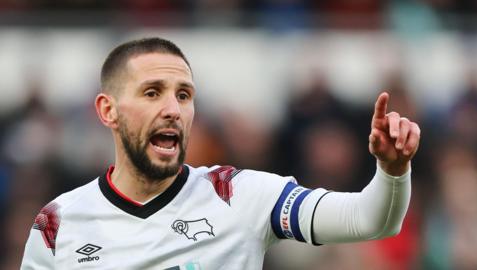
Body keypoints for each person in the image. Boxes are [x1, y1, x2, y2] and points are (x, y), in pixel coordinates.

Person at [20, 38, 420, 270]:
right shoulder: (57, 226)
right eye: (152, 92)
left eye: (184, 95)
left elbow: (370, 219)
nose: (173, 109)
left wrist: (392, 170)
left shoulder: (240, 196)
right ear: (108, 111)